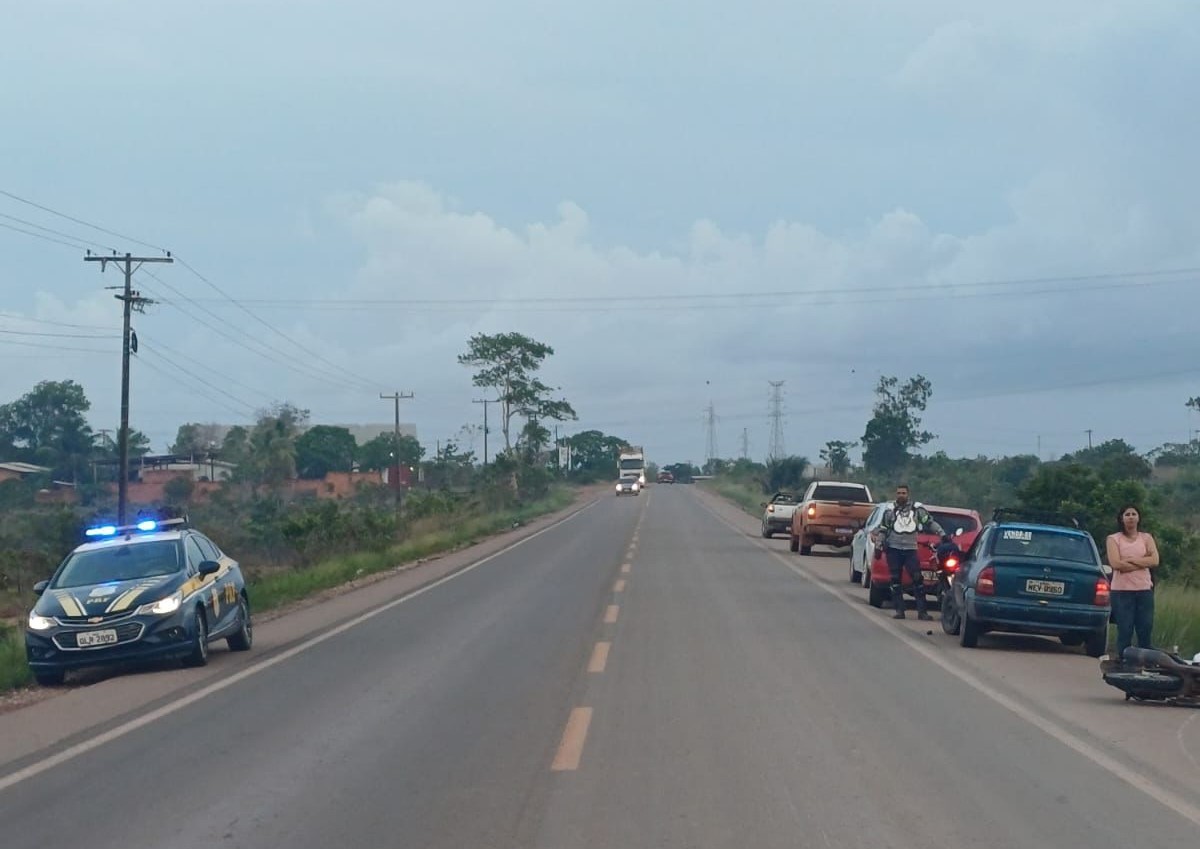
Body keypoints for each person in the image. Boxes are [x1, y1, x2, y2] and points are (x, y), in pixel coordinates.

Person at [870, 484, 947, 620]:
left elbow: (929, 522)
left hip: (910, 550)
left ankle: (922, 612)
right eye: (899, 493)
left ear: (908, 494)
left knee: (917, 579)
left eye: (903, 493)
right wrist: (878, 545)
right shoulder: (889, 511)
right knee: (895, 580)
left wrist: (942, 534)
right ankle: (899, 611)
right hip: (893, 550)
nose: (901, 495)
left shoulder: (917, 510)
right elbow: (883, 530)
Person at [1105, 504, 1159, 658]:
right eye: (1127, 514)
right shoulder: (1113, 539)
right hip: (1121, 591)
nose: (1130, 517)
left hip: (1144, 590)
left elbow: (1155, 560)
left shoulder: (1146, 538)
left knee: (1145, 629)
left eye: (1133, 514)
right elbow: (1116, 563)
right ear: (1121, 518)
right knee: (1125, 629)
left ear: (1138, 518)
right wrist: (1143, 562)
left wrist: (1130, 561)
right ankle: (1123, 661)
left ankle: (1146, 662)